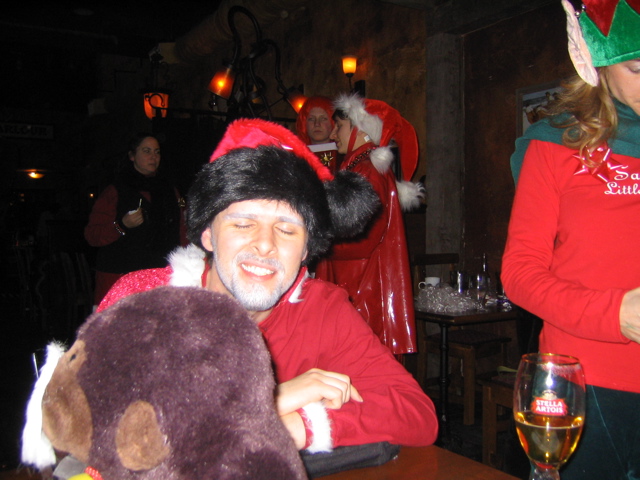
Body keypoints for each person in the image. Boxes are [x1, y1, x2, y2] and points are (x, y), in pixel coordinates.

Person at [99, 119, 438, 454]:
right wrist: (269, 403)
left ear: (306, 249)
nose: (265, 245)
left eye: (287, 230)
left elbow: (417, 415)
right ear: (208, 235)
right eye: (244, 224)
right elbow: (100, 430)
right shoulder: (146, 300)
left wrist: (301, 425)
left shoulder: (322, 309)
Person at [502, 1, 640, 478]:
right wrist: (617, 314)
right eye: (638, 67)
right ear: (596, 64)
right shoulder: (555, 143)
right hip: (585, 379)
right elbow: (519, 275)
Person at [314, 93, 424, 355]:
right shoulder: (360, 169)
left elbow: (361, 240)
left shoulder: (367, 172)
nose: (332, 134)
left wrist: (314, 243)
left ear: (361, 131)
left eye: (339, 126)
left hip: (361, 293)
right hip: (356, 288)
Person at [84, 133, 186, 305]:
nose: (153, 157)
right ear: (132, 156)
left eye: (157, 152)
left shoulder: (170, 190)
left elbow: (182, 230)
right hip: (123, 278)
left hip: (159, 276)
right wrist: (122, 225)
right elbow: (93, 236)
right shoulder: (115, 191)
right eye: (147, 151)